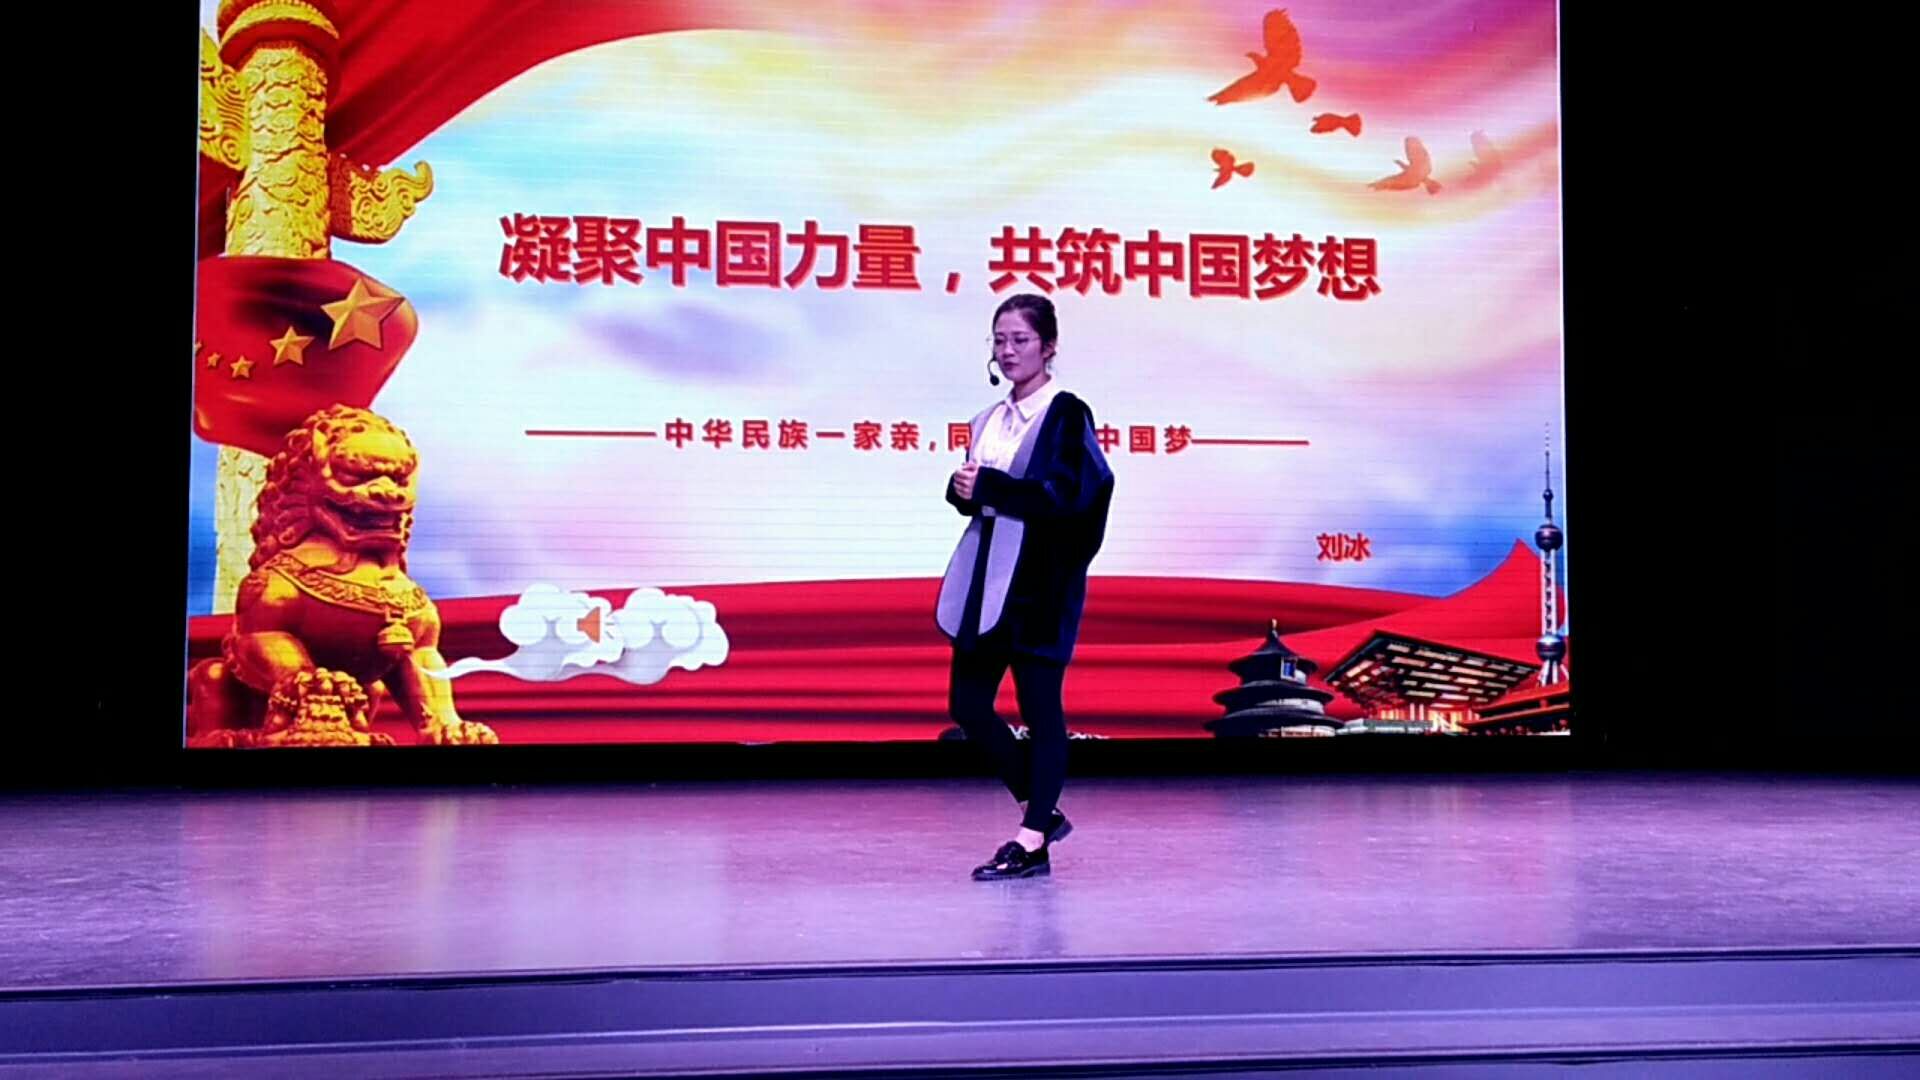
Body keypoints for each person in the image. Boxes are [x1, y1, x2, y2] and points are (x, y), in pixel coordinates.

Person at [937, 293, 1114, 880]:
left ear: (1048, 346)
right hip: (988, 578)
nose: (1008, 350)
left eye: (1020, 340)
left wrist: (991, 487)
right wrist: (962, 490)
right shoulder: (988, 419)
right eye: (1000, 340)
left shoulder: (1065, 413)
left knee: (1040, 707)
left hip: (1040, 581)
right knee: (967, 704)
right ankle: (1040, 810)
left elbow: (1072, 496)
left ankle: (1032, 838)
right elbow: (978, 495)